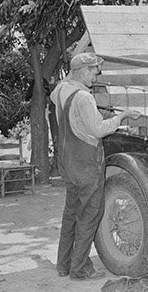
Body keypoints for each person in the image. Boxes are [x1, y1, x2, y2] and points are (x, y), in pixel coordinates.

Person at [50, 52, 138, 280]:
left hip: (67, 163)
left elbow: (57, 96)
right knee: (89, 215)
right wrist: (122, 116)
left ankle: (64, 265)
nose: (95, 76)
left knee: (71, 213)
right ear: (80, 71)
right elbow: (99, 130)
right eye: (92, 71)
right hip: (86, 164)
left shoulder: (61, 90)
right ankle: (79, 269)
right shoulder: (84, 98)